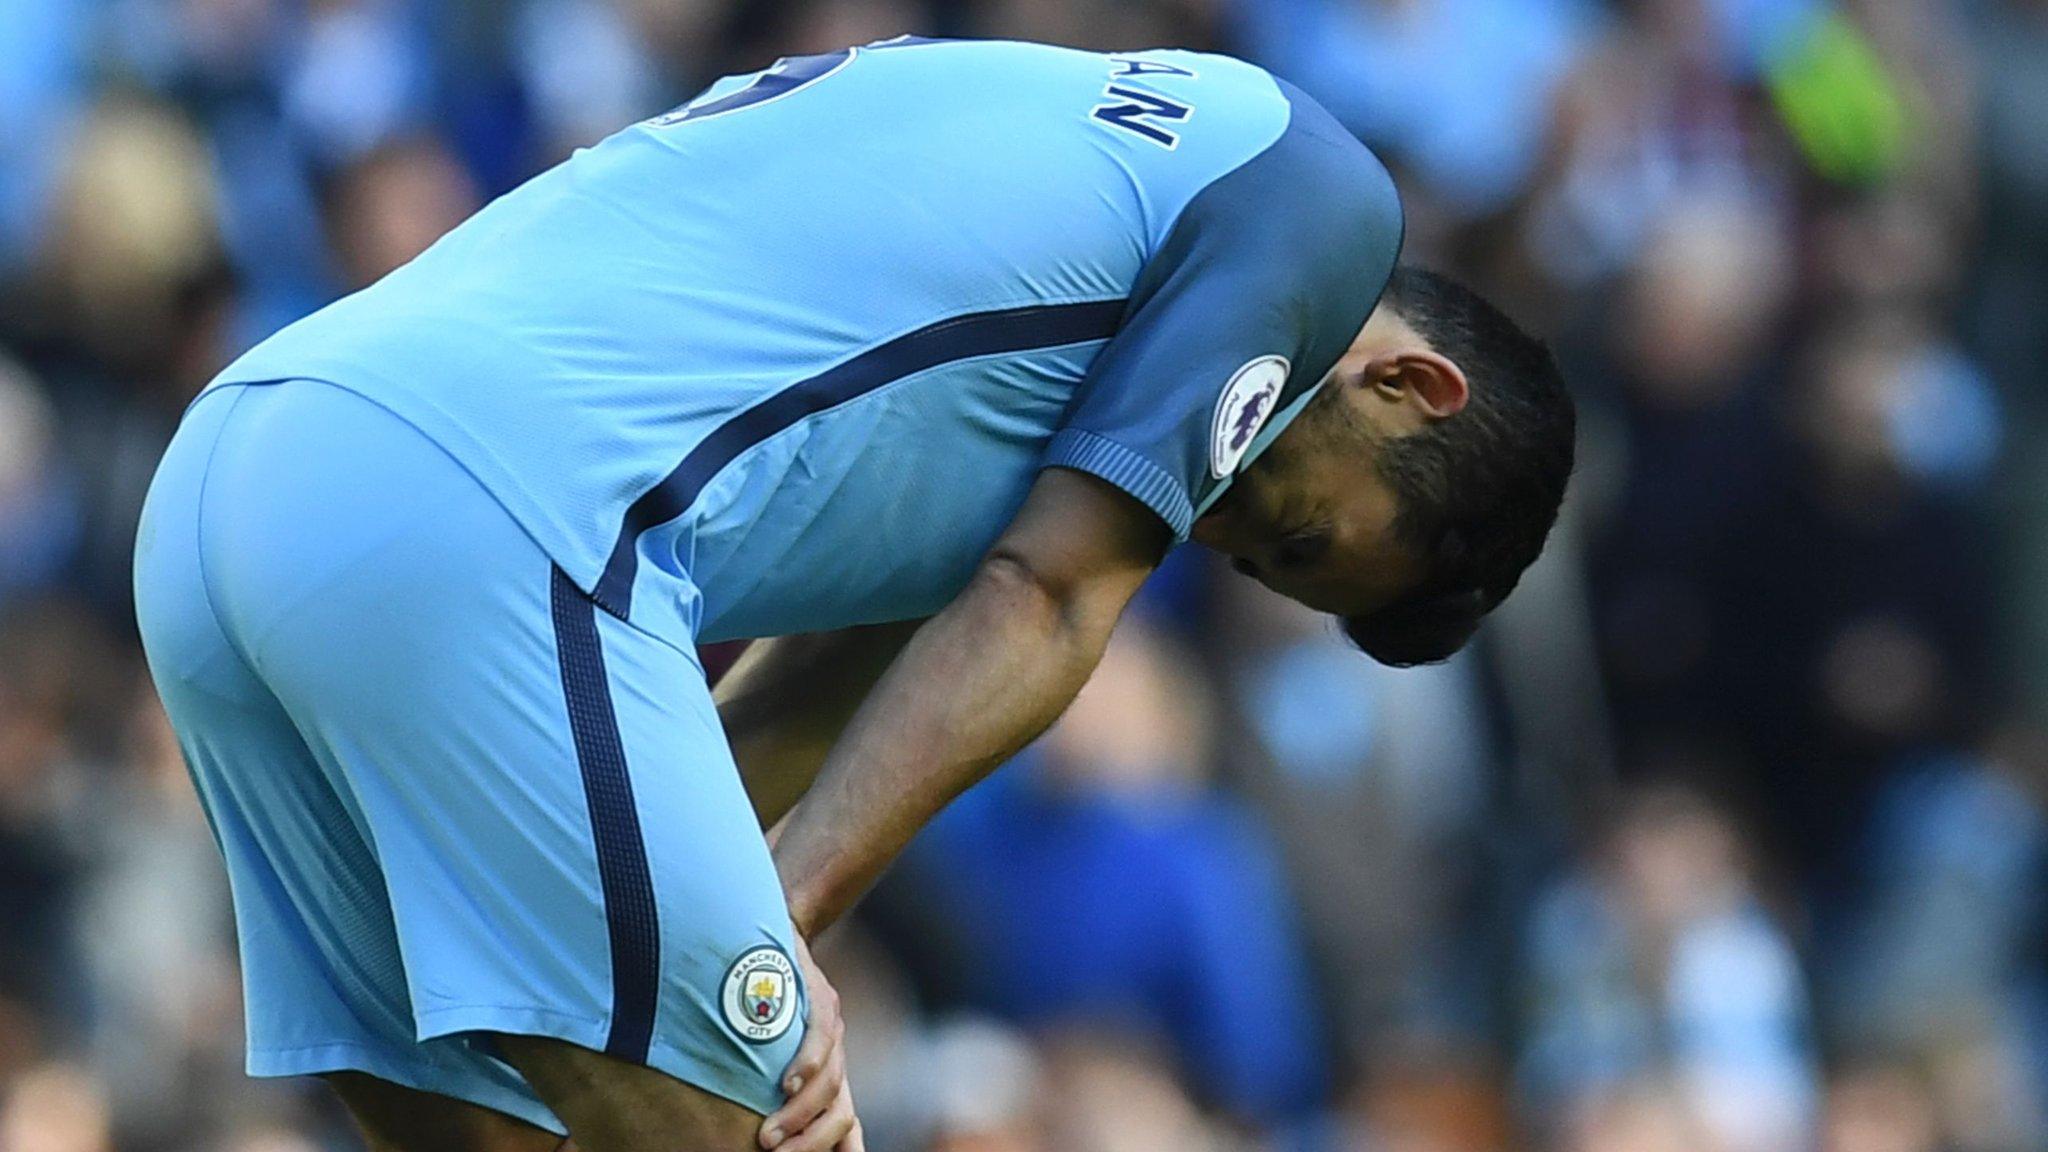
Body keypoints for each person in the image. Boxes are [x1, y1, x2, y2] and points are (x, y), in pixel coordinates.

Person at [132, 35, 1574, 1152]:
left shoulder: (1064, 222)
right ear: (1410, 384)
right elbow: (1049, 600)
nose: (1220, 534)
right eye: (1300, 535)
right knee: (775, 1119)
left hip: (238, 481)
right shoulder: (1321, 202)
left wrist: (744, 903)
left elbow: (854, 670)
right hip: (486, 511)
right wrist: (783, 932)